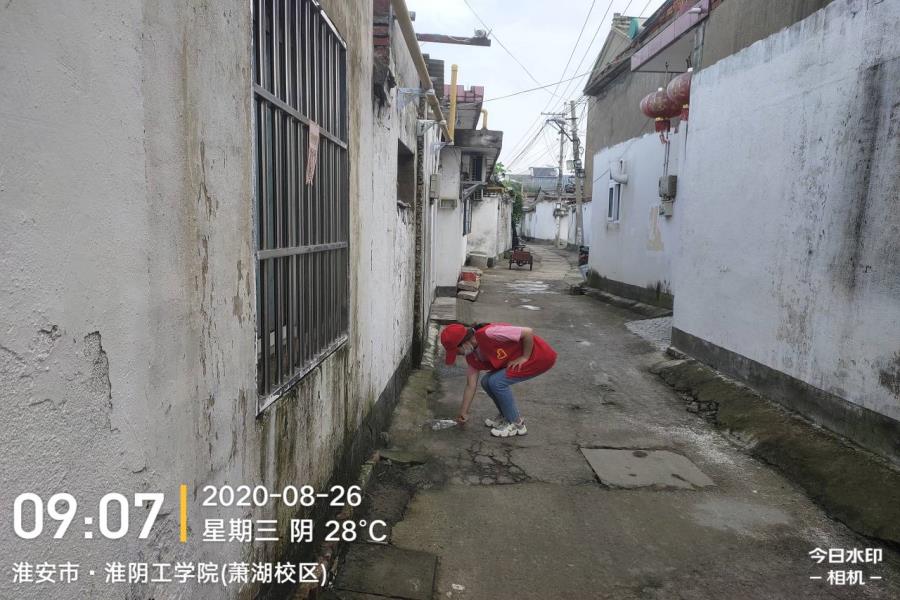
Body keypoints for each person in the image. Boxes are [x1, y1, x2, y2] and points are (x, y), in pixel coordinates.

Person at [440, 322, 557, 437]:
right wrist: (463, 412)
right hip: (521, 360)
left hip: (539, 356)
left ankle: (517, 424)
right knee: (486, 382)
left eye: (457, 352)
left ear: (465, 342)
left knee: (496, 382)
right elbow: (470, 385)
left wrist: (524, 357)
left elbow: (528, 332)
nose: (458, 355)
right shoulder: (472, 356)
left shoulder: (490, 333)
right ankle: (507, 417)